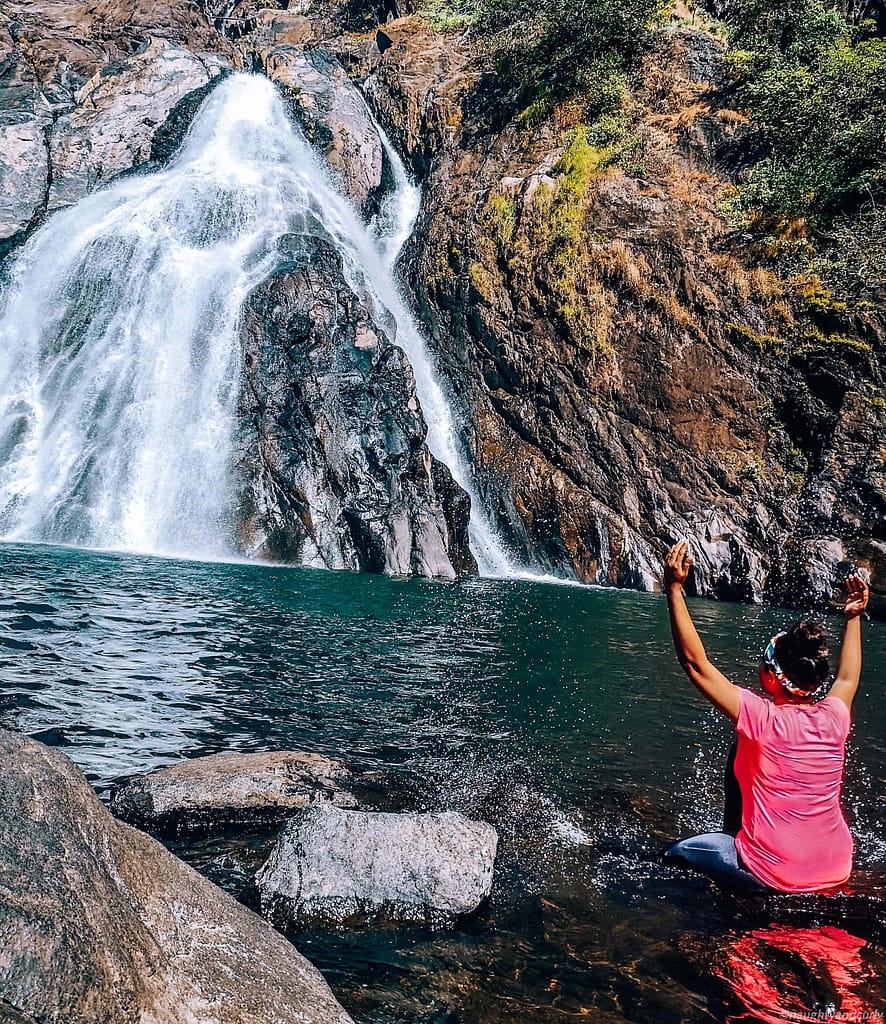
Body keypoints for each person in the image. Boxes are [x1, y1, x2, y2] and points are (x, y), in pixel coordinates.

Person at [660, 539, 870, 894]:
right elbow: (847, 677)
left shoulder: (761, 718)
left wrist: (674, 588)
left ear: (770, 677)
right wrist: (852, 617)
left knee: (675, 854)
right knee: (743, 742)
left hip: (777, 874)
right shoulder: (834, 716)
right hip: (837, 868)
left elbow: (695, 664)